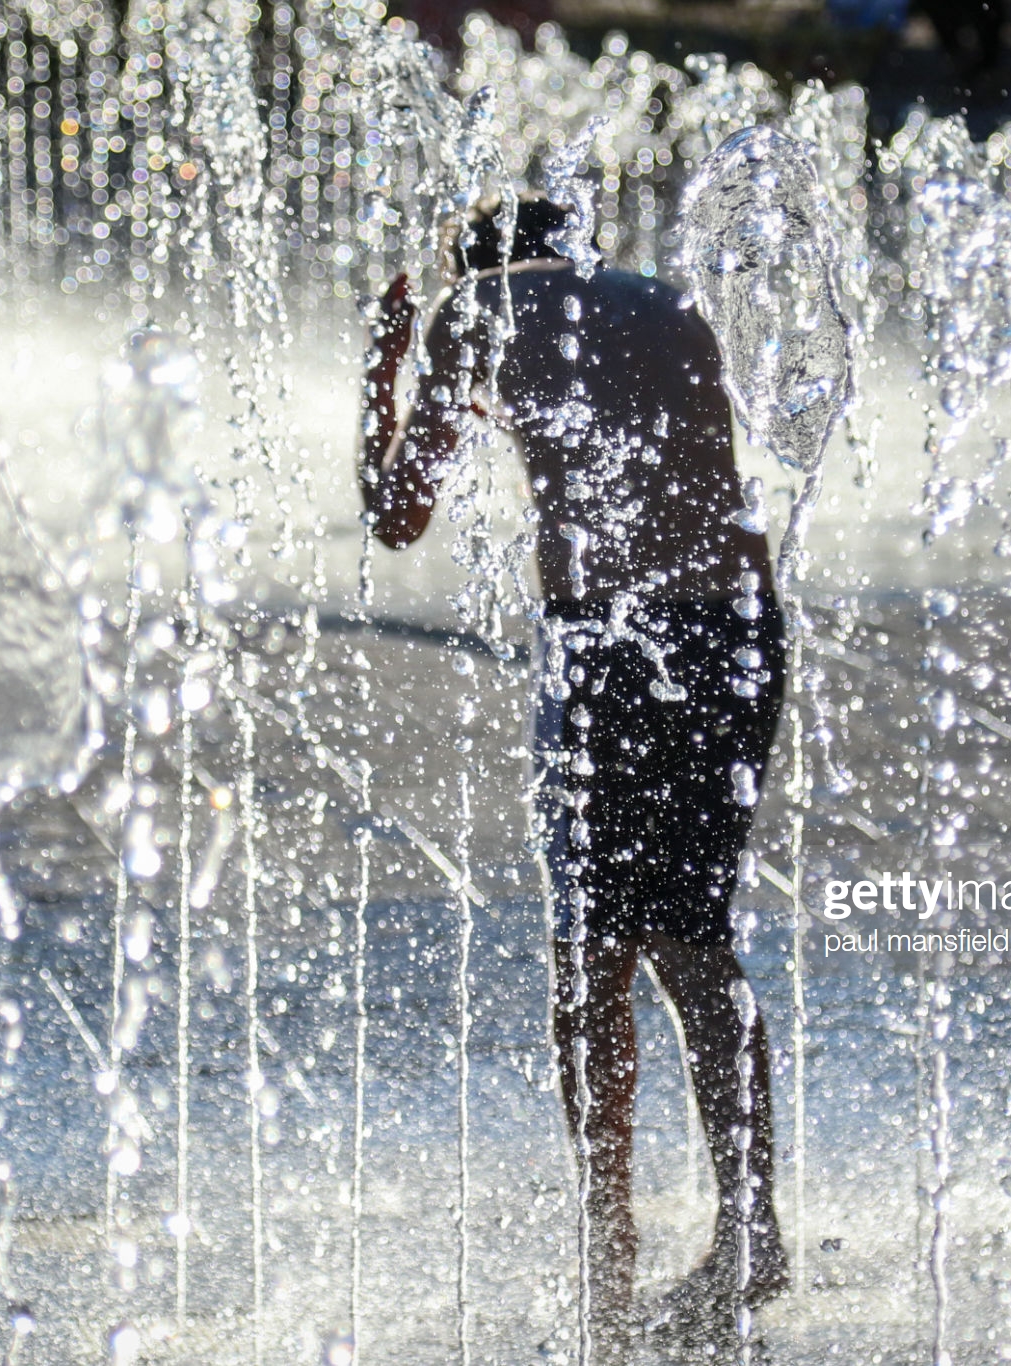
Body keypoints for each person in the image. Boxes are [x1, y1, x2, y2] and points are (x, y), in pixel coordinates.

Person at [359, 197, 790, 1359]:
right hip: (736, 631)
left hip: (611, 642)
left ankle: (605, 1267)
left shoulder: (475, 308)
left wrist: (382, 377)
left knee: (592, 957)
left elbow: (398, 515)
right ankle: (749, 1228)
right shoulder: (659, 301)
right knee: (695, 938)